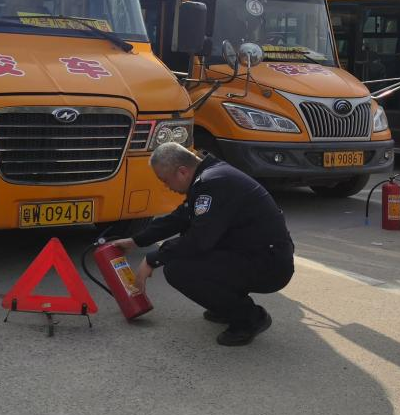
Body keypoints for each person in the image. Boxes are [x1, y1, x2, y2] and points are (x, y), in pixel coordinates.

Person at [110, 142, 295, 347]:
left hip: (269, 265)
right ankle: (228, 304)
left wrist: (152, 260)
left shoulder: (213, 183)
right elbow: (181, 217)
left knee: (179, 269)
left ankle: (250, 318)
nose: (166, 186)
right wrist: (137, 240)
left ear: (181, 171)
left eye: (165, 180)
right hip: (259, 254)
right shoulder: (210, 175)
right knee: (187, 254)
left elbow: (199, 240)